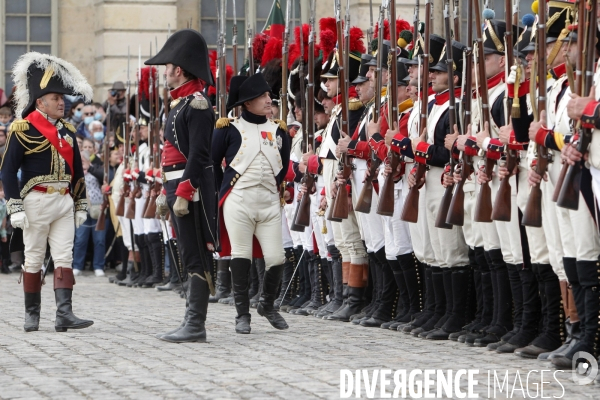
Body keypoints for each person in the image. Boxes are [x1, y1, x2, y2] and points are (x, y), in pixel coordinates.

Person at [1, 52, 94, 332]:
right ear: (40, 101)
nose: (61, 103)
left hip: (63, 200)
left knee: (64, 257)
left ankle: (64, 313)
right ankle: (32, 314)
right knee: (34, 257)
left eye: (62, 98)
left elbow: (76, 170)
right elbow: (7, 170)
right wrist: (14, 205)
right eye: (56, 98)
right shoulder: (23, 128)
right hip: (36, 200)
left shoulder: (67, 131)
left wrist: (80, 203)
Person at [145, 29, 218, 343]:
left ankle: (196, 324)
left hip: (193, 190)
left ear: (179, 69)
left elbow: (200, 154)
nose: (164, 72)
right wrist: (166, 190)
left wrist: (184, 192)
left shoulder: (197, 105)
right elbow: (171, 155)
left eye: (167, 66)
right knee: (186, 252)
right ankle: (191, 320)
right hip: (177, 188)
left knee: (195, 255)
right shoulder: (180, 104)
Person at [212, 72, 291, 334]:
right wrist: (217, 192)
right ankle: (242, 314)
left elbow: (284, 164)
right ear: (247, 102)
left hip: (268, 201)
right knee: (241, 255)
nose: (270, 100)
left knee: (277, 258)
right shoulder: (228, 128)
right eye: (264, 96)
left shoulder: (279, 130)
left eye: (269, 95)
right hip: (239, 201)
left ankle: (267, 304)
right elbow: (212, 163)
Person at [72, 150, 106, 277]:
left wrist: (90, 168)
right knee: (80, 239)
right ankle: (77, 265)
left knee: (99, 240)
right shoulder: (75, 171)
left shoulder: (96, 169)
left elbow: (104, 177)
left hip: (97, 208)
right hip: (81, 208)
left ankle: (98, 265)